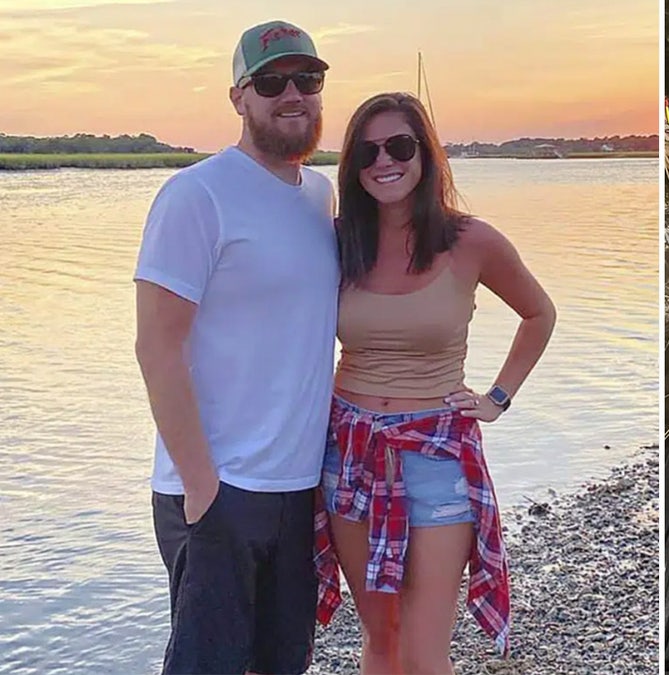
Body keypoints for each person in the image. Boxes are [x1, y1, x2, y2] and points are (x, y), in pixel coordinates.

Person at [313, 92, 557, 675]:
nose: (384, 161)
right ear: (352, 166)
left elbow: (539, 314)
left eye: (399, 145)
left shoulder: (470, 240)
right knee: (380, 637)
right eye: (368, 151)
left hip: (437, 454)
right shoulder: (336, 240)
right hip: (348, 452)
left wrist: (496, 398)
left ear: (425, 154)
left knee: (424, 653)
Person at [133, 20, 337, 674]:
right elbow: (156, 347)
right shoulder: (197, 195)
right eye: (272, 81)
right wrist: (203, 490)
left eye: (307, 78)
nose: (292, 94)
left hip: (296, 487)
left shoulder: (320, 196)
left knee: (283, 663)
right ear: (239, 97)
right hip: (219, 488)